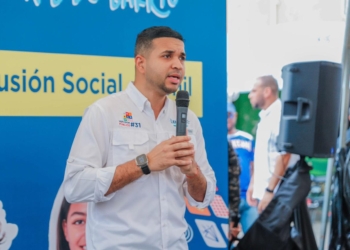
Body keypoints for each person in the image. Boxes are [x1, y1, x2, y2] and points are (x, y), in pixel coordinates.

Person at [63, 26, 216, 249]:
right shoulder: (105, 112)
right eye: (167, 56)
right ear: (141, 63)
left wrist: (193, 172)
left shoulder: (189, 119)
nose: (178, 65)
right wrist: (144, 164)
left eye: (182, 57)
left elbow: (203, 197)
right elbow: (75, 186)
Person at [247, 75, 298, 214]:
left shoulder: (280, 115)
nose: (249, 95)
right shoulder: (265, 116)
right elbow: (262, 156)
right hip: (265, 193)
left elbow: (284, 155)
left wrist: (269, 191)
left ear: (267, 92)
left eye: (254, 90)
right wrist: (253, 184)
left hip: (276, 194)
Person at [227, 102, 258, 233]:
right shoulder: (216, 139)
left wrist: (254, 188)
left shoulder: (247, 138)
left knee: (254, 239)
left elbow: (255, 166)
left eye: (229, 114)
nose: (226, 118)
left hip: (247, 197)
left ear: (235, 115)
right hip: (227, 198)